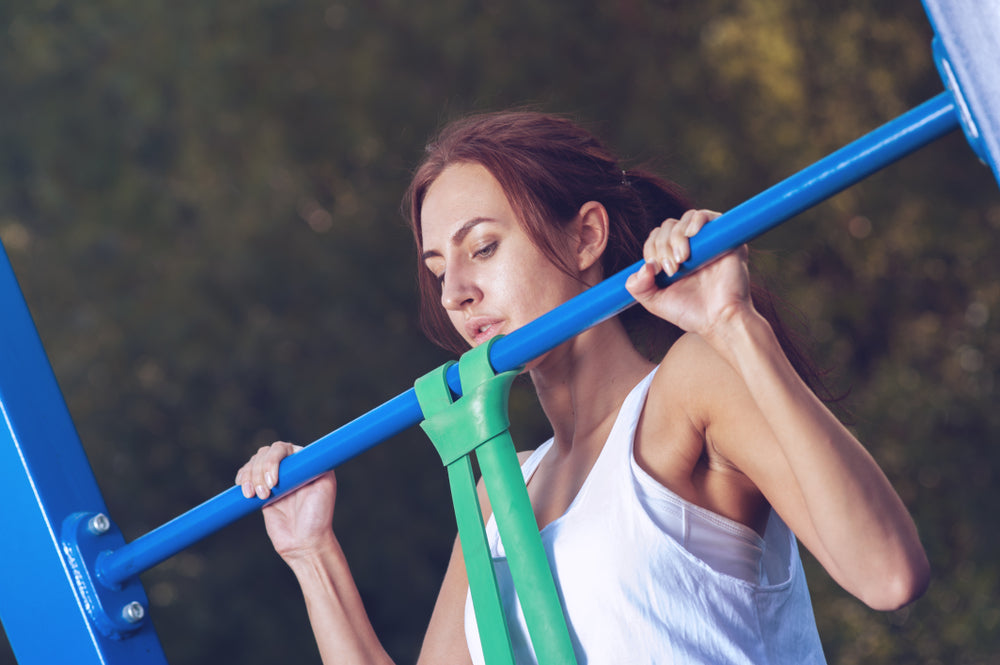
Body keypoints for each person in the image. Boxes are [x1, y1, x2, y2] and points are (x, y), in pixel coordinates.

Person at [235, 111, 929, 664]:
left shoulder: (688, 387)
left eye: (482, 247)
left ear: (585, 236)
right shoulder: (497, 492)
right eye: (439, 266)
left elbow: (889, 575)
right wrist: (312, 552)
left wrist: (732, 324)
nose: (456, 293)